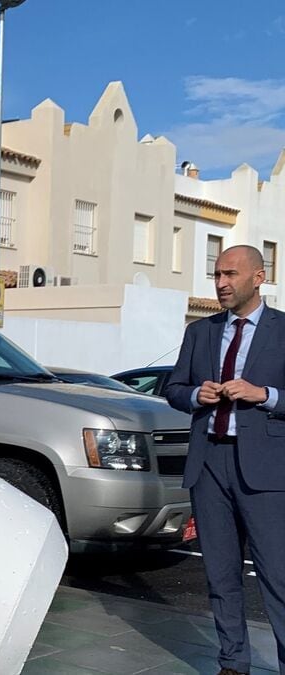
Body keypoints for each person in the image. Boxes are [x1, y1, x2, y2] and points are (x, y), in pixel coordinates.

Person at [164, 245, 285, 675]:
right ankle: (233, 662)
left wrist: (264, 395)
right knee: (220, 574)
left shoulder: (282, 330)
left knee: (277, 575)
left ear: (259, 276)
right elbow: (174, 387)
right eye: (216, 275)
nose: (221, 284)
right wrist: (197, 394)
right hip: (209, 464)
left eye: (231, 274)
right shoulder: (201, 331)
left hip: (267, 473)